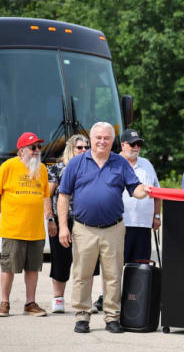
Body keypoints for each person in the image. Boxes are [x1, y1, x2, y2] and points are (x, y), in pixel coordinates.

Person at [58, 122, 151, 334]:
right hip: (84, 228)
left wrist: (144, 190)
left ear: (113, 141)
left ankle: (112, 317)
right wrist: (63, 226)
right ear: (91, 139)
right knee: (82, 274)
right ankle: (82, 316)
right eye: (98, 137)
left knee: (113, 275)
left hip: (113, 229)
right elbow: (63, 196)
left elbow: (134, 188)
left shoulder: (120, 163)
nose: (102, 141)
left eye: (107, 138)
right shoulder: (77, 163)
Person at [0, 131, 53, 317]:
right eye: (32, 147)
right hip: (13, 228)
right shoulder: (8, 166)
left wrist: (50, 219)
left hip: (35, 229)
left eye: (38, 147)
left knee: (33, 268)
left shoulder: (41, 169)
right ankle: (4, 303)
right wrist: (6, 212)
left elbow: (45, 196)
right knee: (8, 267)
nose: (36, 151)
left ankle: (30, 304)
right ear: (21, 150)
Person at [47, 134, 89, 313]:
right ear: (71, 148)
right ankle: (58, 299)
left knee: (87, 261)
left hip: (85, 220)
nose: (84, 150)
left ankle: (85, 300)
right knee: (61, 259)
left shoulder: (90, 167)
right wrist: (50, 219)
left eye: (86, 147)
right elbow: (46, 195)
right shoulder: (58, 168)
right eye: (80, 147)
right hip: (61, 219)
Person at [120, 129, 162, 264]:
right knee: (116, 268)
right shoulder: (113, 162)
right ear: (123, 145)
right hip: (120, 225)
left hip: (144, 225)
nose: (136, 147)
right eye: (133, 144)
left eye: (139, 144)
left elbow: (157, 192)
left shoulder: (147, 164)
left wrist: (156, 216)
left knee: (141, 268)